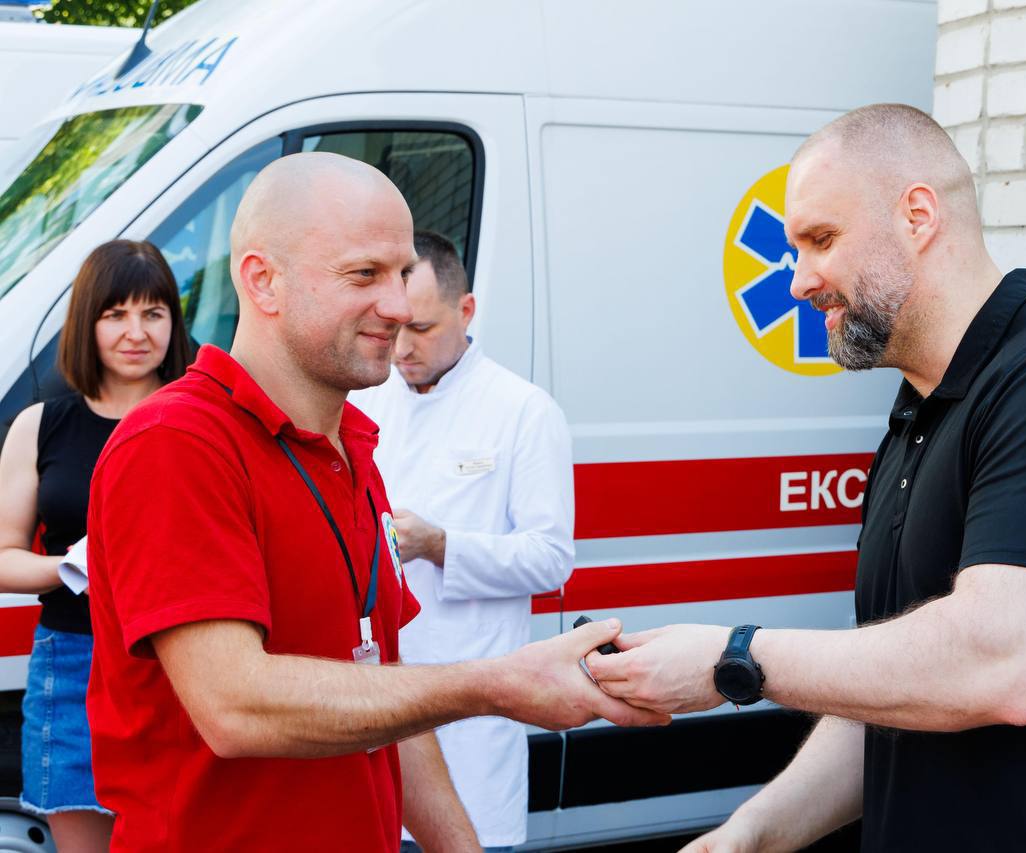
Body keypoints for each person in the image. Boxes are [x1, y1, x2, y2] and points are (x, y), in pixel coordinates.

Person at [586, 104, 1026, 852]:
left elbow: (1000, 662)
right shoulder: (916, 414)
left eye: (820, 240)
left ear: (919, 216)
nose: (800, 281)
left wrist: (735, 656)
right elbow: (889, 697)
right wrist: (748, 835)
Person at [85, 152, 665, 852]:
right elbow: (235, 704)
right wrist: (493, 684)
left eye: (402, 273)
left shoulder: (352, 446)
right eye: (365, 274)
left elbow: (382, 686)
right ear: (262, 281)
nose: (398, 304)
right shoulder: (177, 441)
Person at [351, 231, 574, 852]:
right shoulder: (367, 403)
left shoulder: (523, 410)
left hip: (470, 714)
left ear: (467, 310)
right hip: (375, 702)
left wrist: (440, 543)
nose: (402, 348)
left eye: (421, 328)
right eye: (393, 327)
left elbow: (551, 558)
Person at [0, 240, 193, 852]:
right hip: (73, 663)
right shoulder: (40, 424)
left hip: (187, 662)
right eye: (115, 314)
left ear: (173, 322)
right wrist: (75, 565)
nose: (135, 332)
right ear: (87, 322)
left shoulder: (202, 417)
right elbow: (3, 557)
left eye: (153, 313)